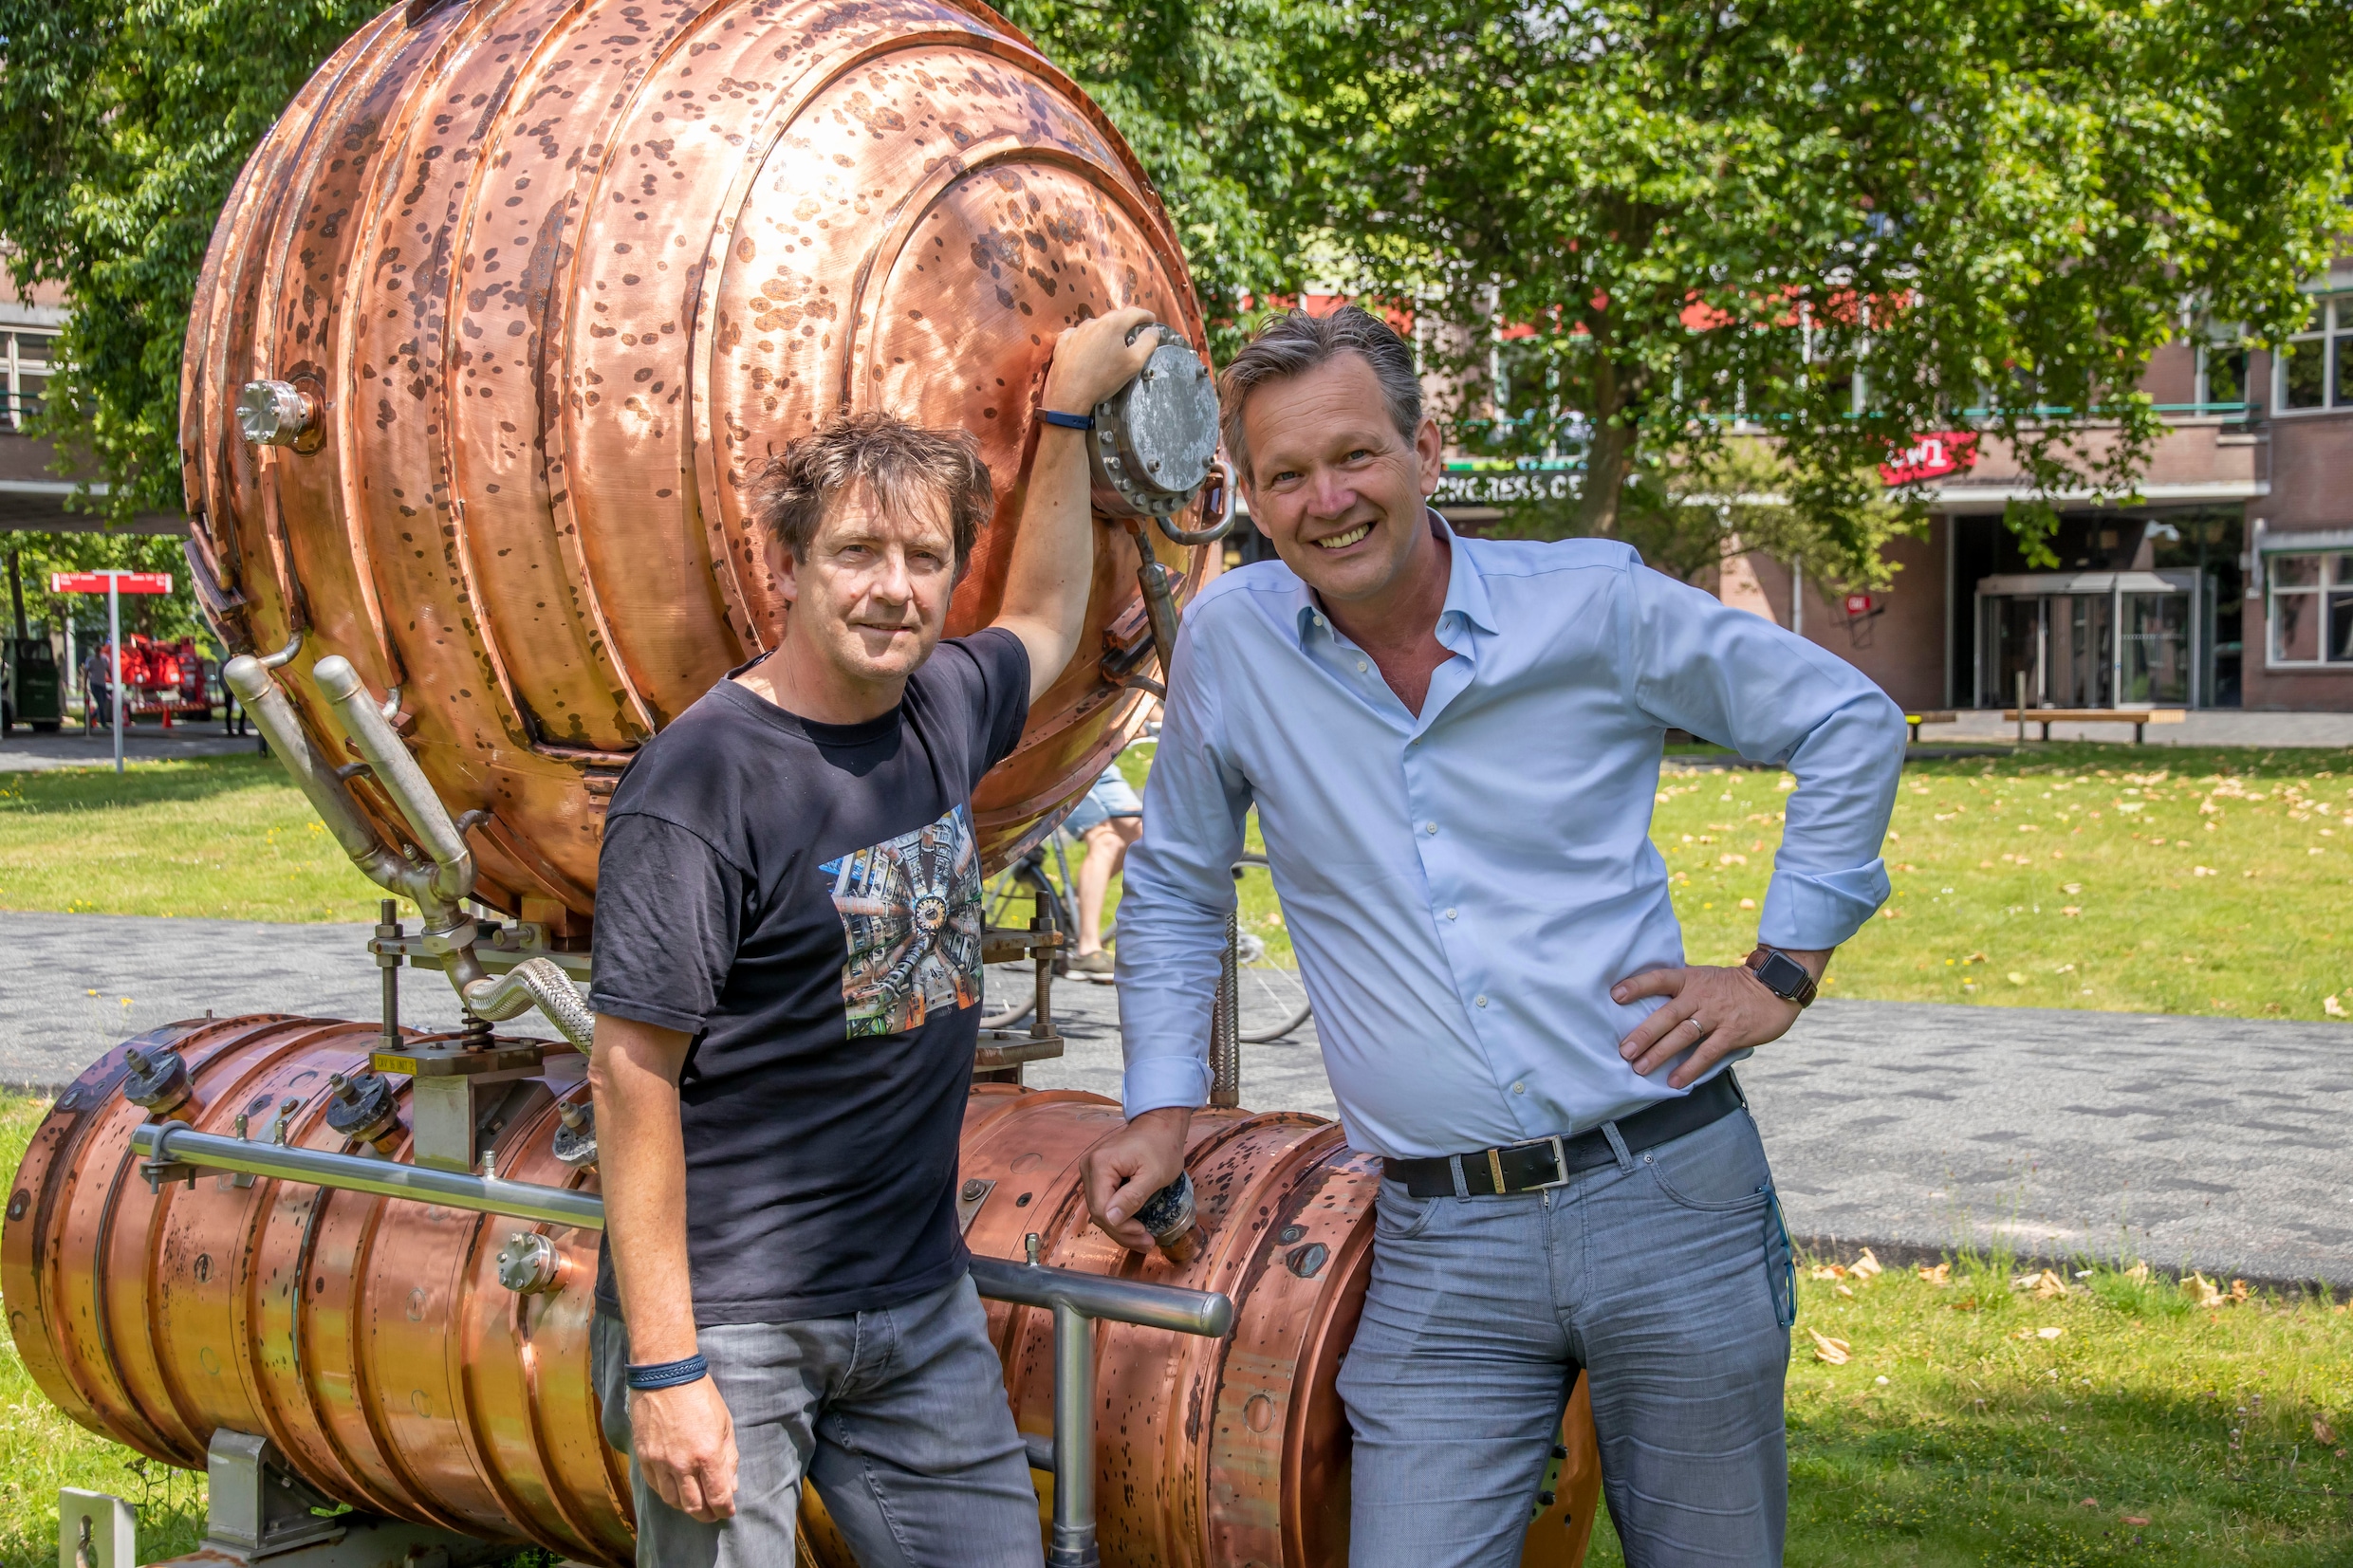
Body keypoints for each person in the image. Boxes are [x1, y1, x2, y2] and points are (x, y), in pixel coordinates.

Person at [1081, 305, 1905, 1567]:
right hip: (1436, 1237)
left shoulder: (1592, 606)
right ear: (1244, 490)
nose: (1326, 499)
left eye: (1355, 455)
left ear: (1429, 448)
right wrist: (1158, 1104)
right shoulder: (1234, 645)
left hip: (1667, 1195)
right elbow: (1183, 880)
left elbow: (1849, 721)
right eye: (1284, 475)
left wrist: (1783, 969)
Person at [585, 306, 1162, 1568]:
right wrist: (669, 1360)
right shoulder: (702, 783)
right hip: (737, 1320)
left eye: (922, 557)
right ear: (787, 565)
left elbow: (1051, 620)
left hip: (913, 1301)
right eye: (855, 552)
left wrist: (1063, 413)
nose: (892, 589)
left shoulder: (942, 709)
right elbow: (631, 1078)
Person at [1061, 761, 1143, 976]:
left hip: (1099, 757)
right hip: (1058, 761)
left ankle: (1076, 903)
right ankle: (1087, 950)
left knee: (1141, 832)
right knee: (1106, 840)